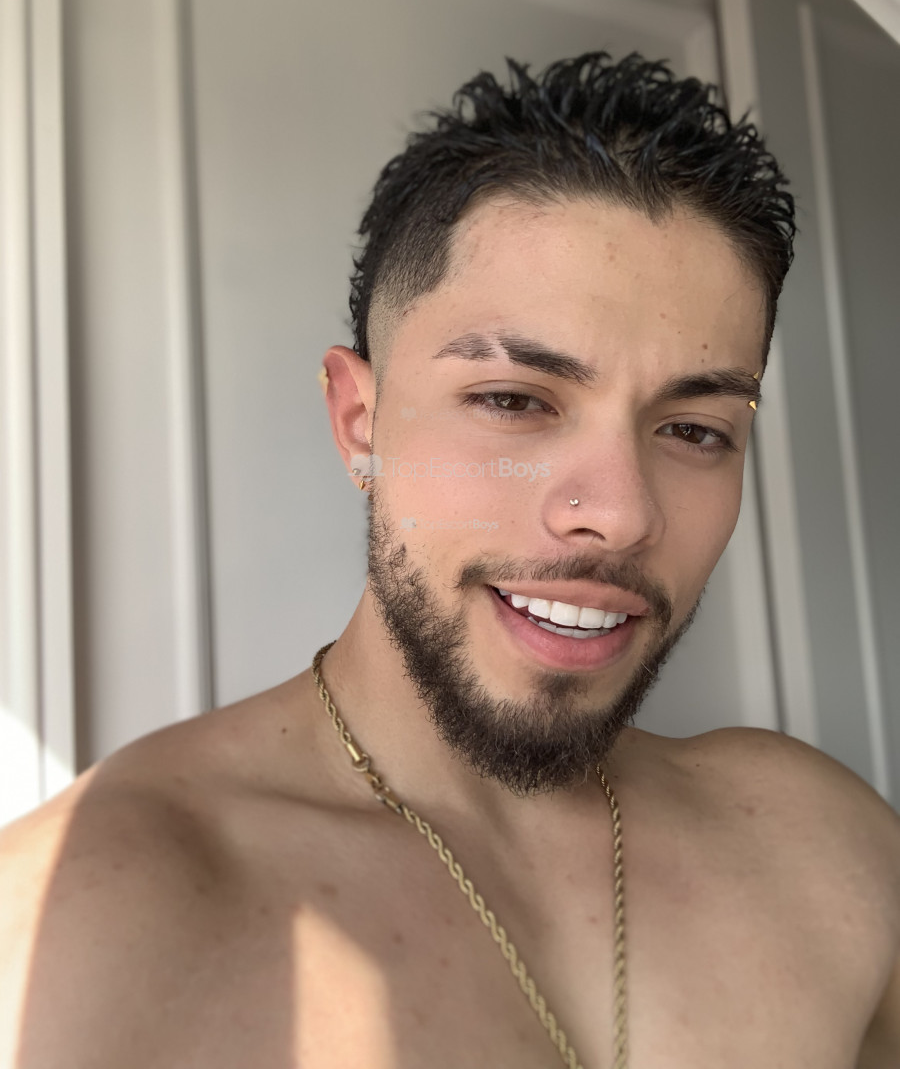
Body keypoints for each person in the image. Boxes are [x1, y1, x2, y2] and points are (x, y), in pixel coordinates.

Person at [1, 52, 898, 1069]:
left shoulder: (833, 854)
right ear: (360, 422)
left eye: (694, 429)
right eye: (514, 400)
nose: (620, 515)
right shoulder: (74, 934)